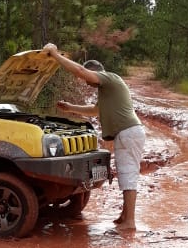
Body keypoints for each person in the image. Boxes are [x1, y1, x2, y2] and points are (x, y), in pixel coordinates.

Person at [43, 43, 145, 230]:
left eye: (89, 79)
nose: (86, 83)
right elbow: (95, 110)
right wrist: (71, 108)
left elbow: (81, 71)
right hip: (128, 134)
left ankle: (130, 222)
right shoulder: (107, 89)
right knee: (125, 174)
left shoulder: (109, 79)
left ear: (97, 72)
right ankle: (125, 216)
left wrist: (55, 55)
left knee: (128, 176)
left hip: (128, 133)